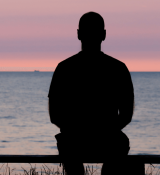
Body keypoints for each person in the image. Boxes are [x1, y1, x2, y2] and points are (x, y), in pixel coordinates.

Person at [47, 12, 134, 175]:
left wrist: (76, 130)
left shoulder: (64, 68)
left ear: (79, 34)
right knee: (120, 143)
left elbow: (55, 115)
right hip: (110, 141)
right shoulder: (118, 68)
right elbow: (126, 115)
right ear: (104, 35)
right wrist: (106, 131)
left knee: (67, 143)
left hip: (73, 140)